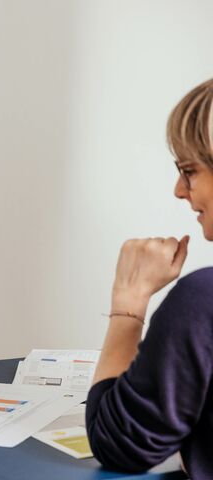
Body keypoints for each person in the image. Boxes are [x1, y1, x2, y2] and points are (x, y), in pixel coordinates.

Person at [86, 78, 213, 479]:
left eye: (189, 170)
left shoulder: (202, 299)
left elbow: (118, 442)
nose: (179, 190)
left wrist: (129, 299)